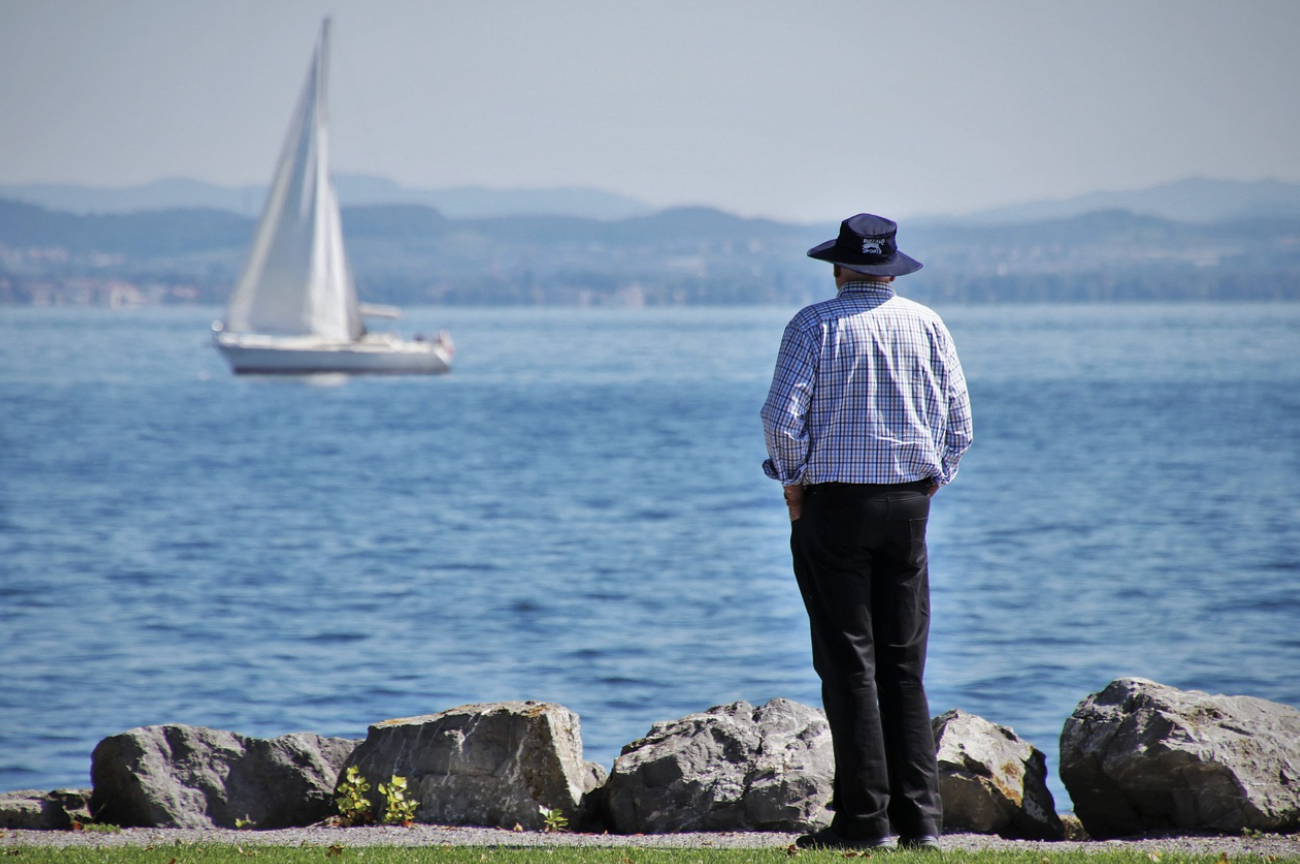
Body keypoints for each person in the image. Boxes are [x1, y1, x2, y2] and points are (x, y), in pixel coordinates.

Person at [760, 213, 973, 851]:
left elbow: (779, 418)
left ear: (839, 267)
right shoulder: (927, 323)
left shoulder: (812, 324)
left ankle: (865, 821)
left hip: (833, 508)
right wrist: (930, 482)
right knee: (904, 667)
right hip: (909, 506)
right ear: (891, 268)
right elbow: (959, 422)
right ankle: (923, 825)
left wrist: (793, 486)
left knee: (848, 664)